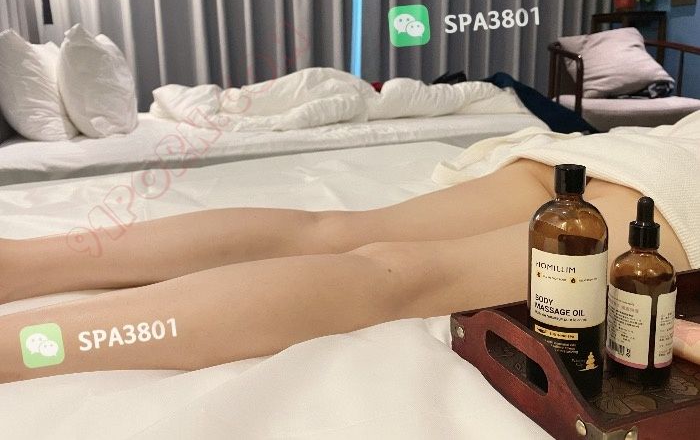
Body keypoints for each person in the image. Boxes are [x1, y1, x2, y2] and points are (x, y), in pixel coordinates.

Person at [0, 148, 691, 384]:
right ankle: (19, 344)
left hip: (607, 152)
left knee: (336, 232)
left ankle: (20, 265)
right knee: (394, 277)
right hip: (676, 197)